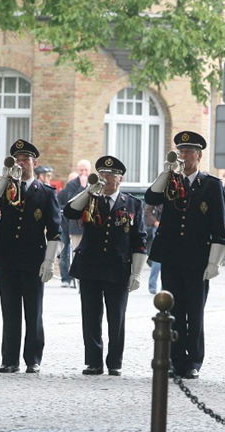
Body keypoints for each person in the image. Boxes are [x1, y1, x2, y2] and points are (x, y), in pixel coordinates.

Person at [145, 131, 225, 379]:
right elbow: (151, 197)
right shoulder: (170, 181)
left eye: (188, 152)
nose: (183, 156)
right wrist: (167, 172)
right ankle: (174, 359)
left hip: (197, 258)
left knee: (195, 311)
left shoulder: (211, 185)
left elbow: (218, 226)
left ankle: (193, 361)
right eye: (180, 151)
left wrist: (214, 262)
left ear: (199, 155)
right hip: (172, 256)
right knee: (173, 311)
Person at [0, 139, 62, 374]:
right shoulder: (7, 188)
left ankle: (33, 359)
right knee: (10, 311)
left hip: (32, 259)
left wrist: (49, 261)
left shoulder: (45, 193)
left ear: (34, 163)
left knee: (33, 311)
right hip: (8, 257)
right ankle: (9, 359)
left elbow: (55, 231)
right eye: (16, 160)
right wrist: (6, 177)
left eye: (25, 160)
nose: (21, 163)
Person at [64, 156, 147, 376]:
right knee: (91, 316)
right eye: (102, 174)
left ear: (121, 179)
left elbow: (139, 239)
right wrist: (89, 190)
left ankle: (115, 362)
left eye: (111, 175)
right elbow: (70, 212)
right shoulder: (90, 198)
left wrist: (136, 273)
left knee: (116, 318)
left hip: (118, 267)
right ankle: (93, 361)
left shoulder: (132, 204)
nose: (106, 178)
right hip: (90, 266)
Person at [57, 160, 91, 287]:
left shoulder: (94, 182)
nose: (84, 173)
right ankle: (75, 280)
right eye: (81, 170)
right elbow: (72, 203)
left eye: (86, 170)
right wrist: (82, 187)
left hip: (91, 225)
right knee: (75, 253)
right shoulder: (72, 184)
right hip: (75, 226)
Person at [144, 203, 163, 294]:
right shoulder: (159, 196)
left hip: (171, 228)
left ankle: (164, 286)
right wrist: (155, 222)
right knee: (158, 259)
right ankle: (152, 285)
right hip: (158, 228)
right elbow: (148, 211)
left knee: (167, 259)